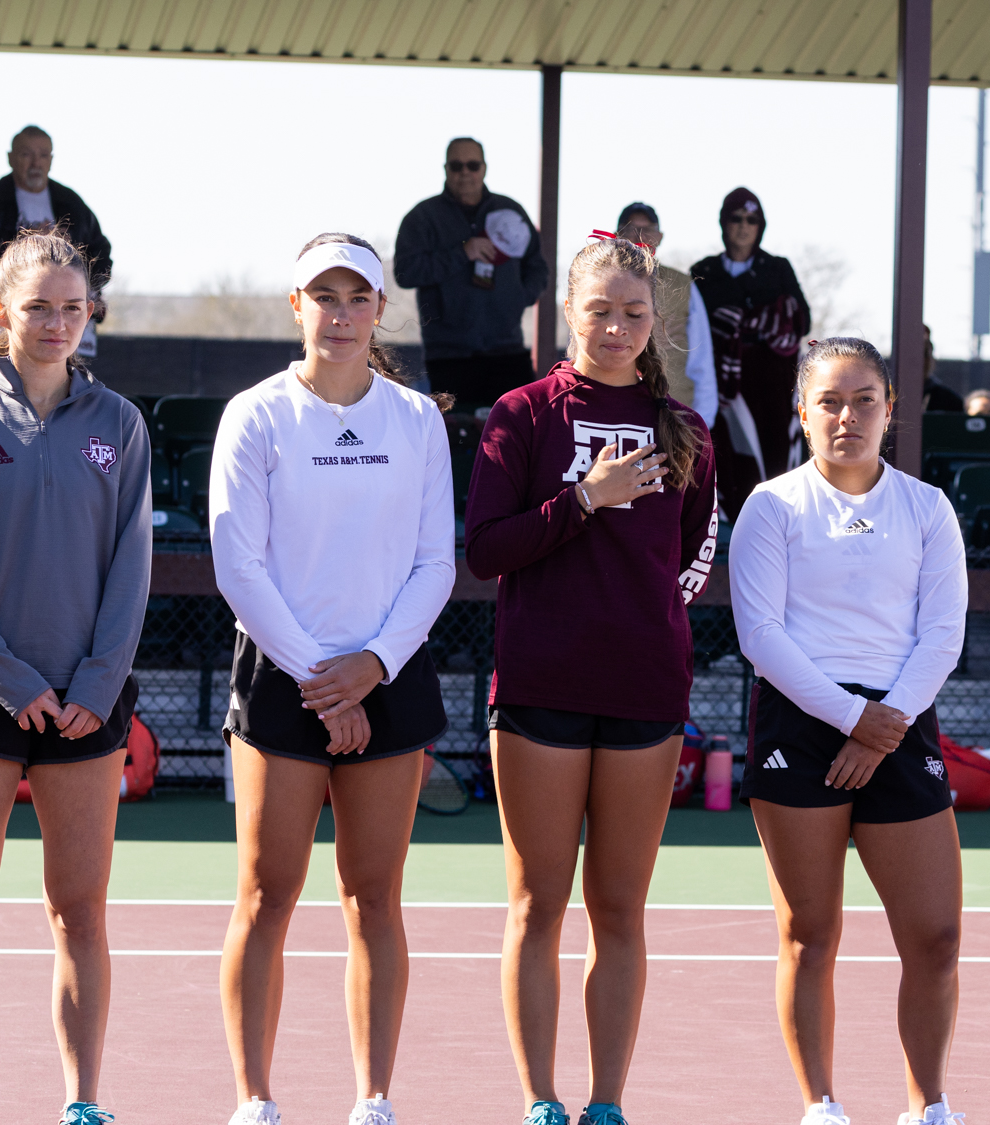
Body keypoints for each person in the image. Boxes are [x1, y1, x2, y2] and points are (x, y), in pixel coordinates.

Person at [464, 234, 718, 1125]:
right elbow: (487, 551)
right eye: (601, 309)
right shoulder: (521, 415)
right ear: (570, 310)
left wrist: (648, 618)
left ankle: (607, 1101)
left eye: (635, 313)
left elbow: (689, 560)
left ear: (656, 324)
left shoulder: (684, 431)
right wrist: (584, 500)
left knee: (619, 906)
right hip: (540, 688)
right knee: (538, 903)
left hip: (646, 692)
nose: (617, 327)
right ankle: (541, 1098)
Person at [211, 233, 455, 1125]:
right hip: (286, 679)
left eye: (358, 297)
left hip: (387, 673)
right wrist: (324, 679)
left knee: (373, 896)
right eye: (325, 295)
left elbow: (437, 561)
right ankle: (254, 1098)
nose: (341, 313)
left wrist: (372, 668)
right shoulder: (256, 415)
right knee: (266, 895)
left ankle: (373, 1098)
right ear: (296, 306)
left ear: (380, 311)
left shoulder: (417, 420)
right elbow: (239, 564)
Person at [0, 225, 151, 1125]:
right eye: (38, 306)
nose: (56, 323)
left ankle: (83, 1101)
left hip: (87, 709)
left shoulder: (119, 425)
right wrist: (15, 681)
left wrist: (93, 684)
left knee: (79, 909)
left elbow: (131, 566)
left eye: (72, 307)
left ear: (92, 315)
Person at [730, 336, 969, 1125]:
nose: (847, 415)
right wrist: (853, 719)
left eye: (864, 399)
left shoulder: (927, 508)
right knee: (809, 934)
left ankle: (928, 1105)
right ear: (802, 412)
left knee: (935, 938)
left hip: (899, 723)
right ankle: (821, 1105)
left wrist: (882, 726)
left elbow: (942, 632)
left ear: (890, 410)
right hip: (801, 726)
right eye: (829, 400)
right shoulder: (771, 506)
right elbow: (762, 635)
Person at [394, 137, 548, 412]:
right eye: (456, 166)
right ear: (445, 169)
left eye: (472, 165)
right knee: (458, 444)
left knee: (520, 438)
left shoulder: (510, 210)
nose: (465, 172)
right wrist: (462, 252)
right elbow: (405, 273)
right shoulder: (423, 217)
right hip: (449, 356)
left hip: (508, 351)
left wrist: (516, 298)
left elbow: (538, 267)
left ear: (484, 169)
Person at [0, 126, 114, 381]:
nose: (35, 163)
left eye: (43, 155)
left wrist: (85, 295)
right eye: (26, 154)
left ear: (51, 160)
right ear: (10, 158)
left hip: (62, 322)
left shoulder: (71, 202)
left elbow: (101, 254)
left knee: (68, 396)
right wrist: (21, 240)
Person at [691, 188, 809, 516]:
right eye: (736, 218)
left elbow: (802, 318)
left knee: (774, 458)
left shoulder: (778, 269)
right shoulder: (705, 271)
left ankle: (776, 521)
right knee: (725, 457)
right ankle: (727, 525)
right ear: (723, 223)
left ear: (761, 226)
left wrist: (752, 321)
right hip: (722, 383)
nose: (744, 226)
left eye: (752, 219)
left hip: (771, 383)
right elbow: (691, 325)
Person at [615, 202, 716, 422]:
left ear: (659, 237)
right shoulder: (600, 283)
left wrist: (702, 420)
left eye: (648, 230)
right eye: (632, 229)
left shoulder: (682, 285)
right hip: (613, 410)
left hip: (673, 416)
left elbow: (702, 359)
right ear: (617, 235)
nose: (640, 236)